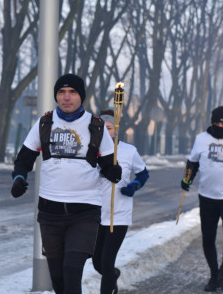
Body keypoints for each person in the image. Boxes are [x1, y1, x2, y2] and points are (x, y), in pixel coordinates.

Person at [9, 73, 122, 294]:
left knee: (72, 269)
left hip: (85, 210)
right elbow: (24, 158)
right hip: (50, 210)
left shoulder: (96, 126)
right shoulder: (45, 123)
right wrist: (19, 178)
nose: (66, 97)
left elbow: (108, 164)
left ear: (81, 96)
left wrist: (113, 171)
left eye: (72, 92)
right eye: (61, 92)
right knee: (58, 279)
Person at [181, 106, 223, 292]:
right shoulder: (201, 139)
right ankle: (213, 275)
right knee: (208, 237)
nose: (220, 125)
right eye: (217, 122)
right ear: (211, 122)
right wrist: (187, 178)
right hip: (207, 196)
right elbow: (192, 162)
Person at [92, 111, 149, 294]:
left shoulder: (128, 151)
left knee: (107, 261)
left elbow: (143, 173)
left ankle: (108, 286)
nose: (104, 132)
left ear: (115, 130)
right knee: (97, 262)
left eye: (108, 128)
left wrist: (135, 185)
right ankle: (113, 275)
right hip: (95, 214)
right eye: (100, 128)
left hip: (119, 214)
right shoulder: (90, 151)